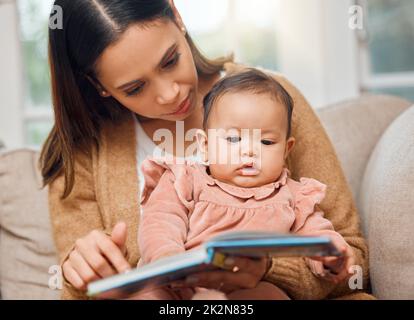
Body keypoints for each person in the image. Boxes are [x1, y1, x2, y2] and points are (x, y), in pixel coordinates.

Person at [41, 0, 373, 300]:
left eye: (170, 60)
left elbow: (352, 263)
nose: (169, 94)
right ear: (99, 86)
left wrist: (268, 270)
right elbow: (83, 293)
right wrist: (84, 280)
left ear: (177, 15)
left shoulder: (270, 99)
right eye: (136, 88)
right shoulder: (80, 151)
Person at [133, 69, 355, 300]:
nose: (249, 151)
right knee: (148, 294)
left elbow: (317, 234)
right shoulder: (183, 179)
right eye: (233, 139)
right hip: (180, 283)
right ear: (205, 145)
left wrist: (330, 256)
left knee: (271, 295)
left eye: (266, 141)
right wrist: (168, 258)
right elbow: (160, 222)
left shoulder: (295, 197)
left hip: (247, 288)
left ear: (286, 150)